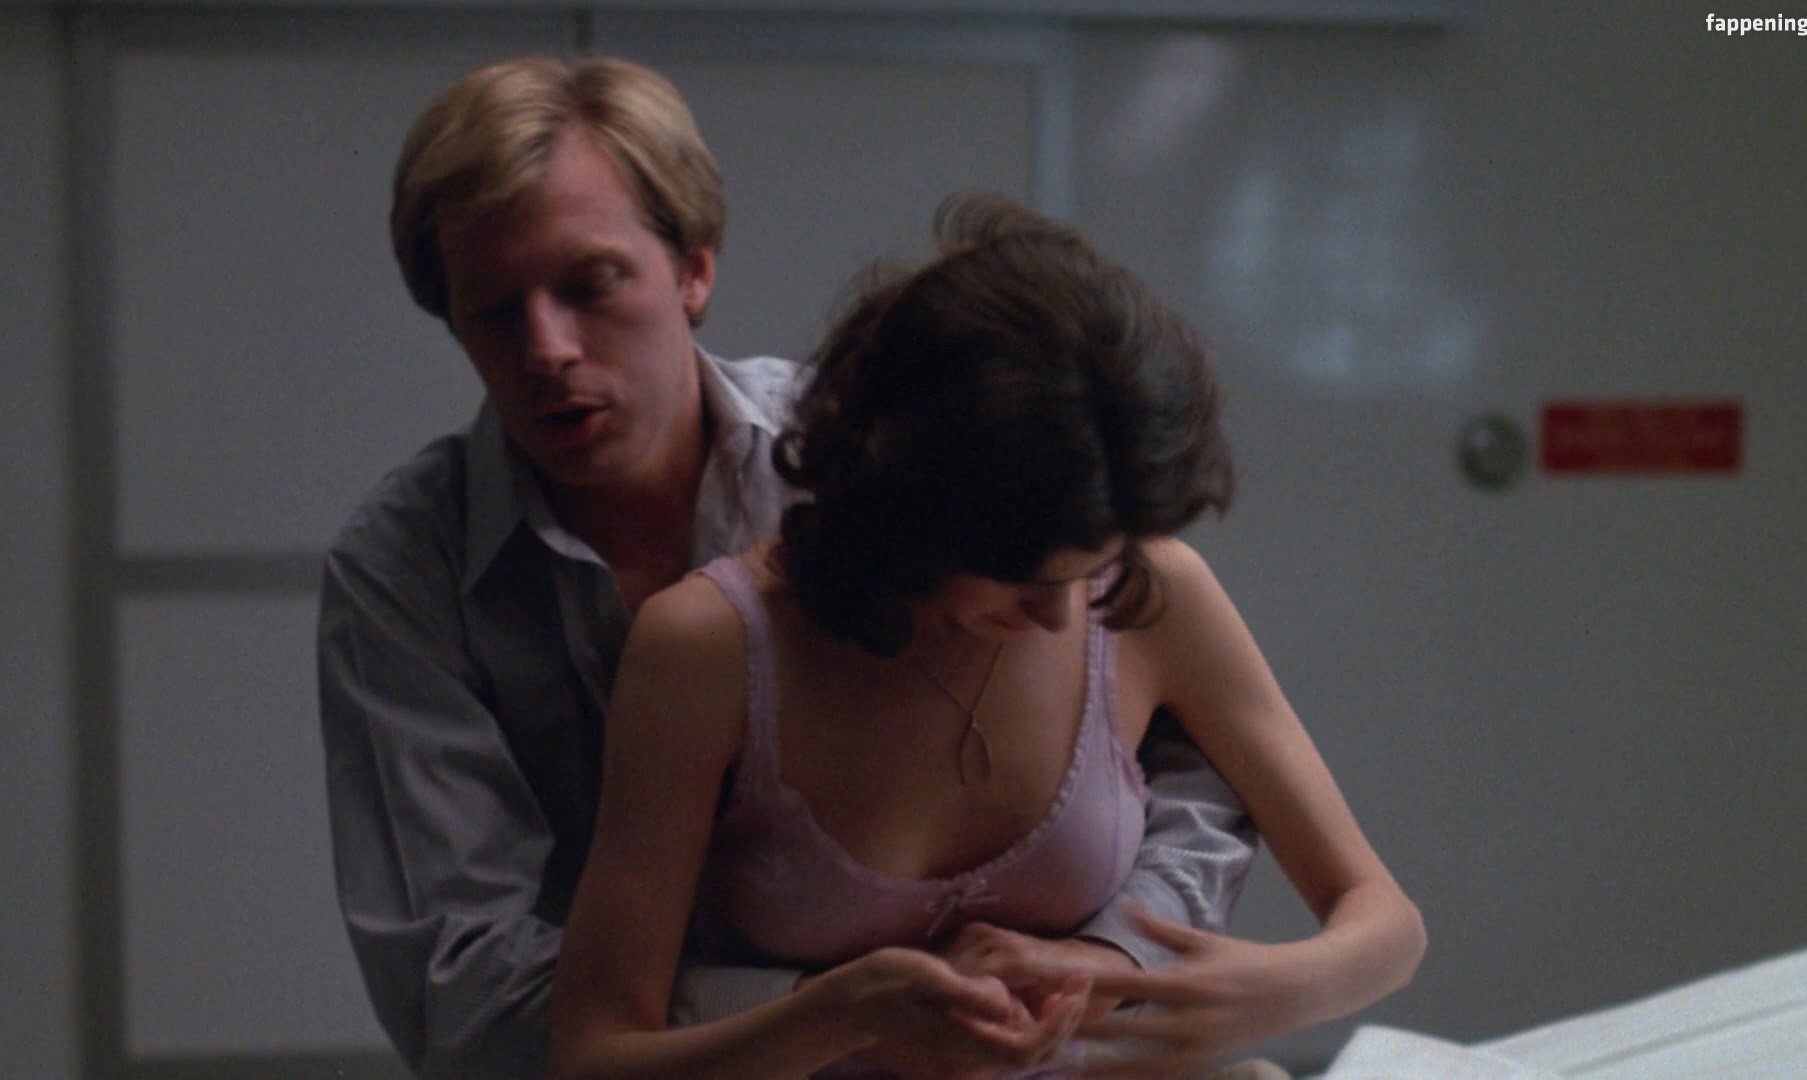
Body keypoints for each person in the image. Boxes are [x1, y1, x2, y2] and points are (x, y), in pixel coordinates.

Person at [317, 55, 1258, 1079]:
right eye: (495, 310)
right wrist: (841, 1017)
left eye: (592, 285)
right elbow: (465, 987)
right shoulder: (405, 571)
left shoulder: (865, 457)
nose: (547, 349)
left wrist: (1107, 957)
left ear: (694, 270)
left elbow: (1162, 736)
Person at [547, 195, 1427, 1079]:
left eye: (1093, 566)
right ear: (909, 510)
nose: (1062, 615)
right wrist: (841, 1015)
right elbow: (592, 1058)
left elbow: (1385, 923)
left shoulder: (1152, 595)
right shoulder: (708, 651)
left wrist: (1272, 988)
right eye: (1020, 579)